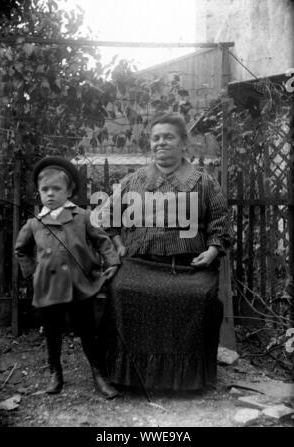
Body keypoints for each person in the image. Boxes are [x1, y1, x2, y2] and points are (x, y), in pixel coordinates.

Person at [95, 113, 232, 392]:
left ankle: (188, 380)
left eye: (168, 137)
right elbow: (107, 217)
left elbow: (221, 224)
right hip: (140, 266)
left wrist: (213, 250)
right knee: (121, 290)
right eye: (156, 138)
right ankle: (131, 376)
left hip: (189, 269)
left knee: (198, 298)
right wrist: (119, 245)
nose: (160, 143)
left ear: (184, 144)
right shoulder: (134, 181)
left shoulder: (204, 183)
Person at [15, 156, 120, 398]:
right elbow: (20, 250)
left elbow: (102, 240)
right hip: (49, 287)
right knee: (52, 331)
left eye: (56, 189)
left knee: (87, 330)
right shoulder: (34, 223)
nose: (50, 194)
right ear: (39, 192)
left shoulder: (82, 217)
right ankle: (55, 372)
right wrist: (33, 273)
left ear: (69, 190)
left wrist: (112, 260)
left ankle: (98, 374)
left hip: (80, 285)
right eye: (45, 190)